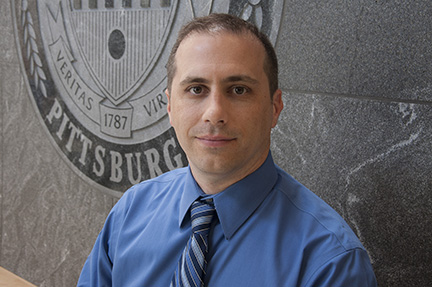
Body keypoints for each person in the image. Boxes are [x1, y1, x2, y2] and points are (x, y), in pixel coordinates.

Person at [78, 13, 377, 287]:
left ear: (275, 107)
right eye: (196, 89)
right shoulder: (131, 213)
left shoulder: (331, 262)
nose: (215, 113)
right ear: (170, 107)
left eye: (238, 90)